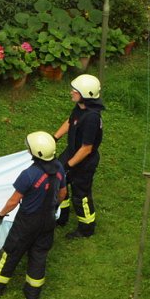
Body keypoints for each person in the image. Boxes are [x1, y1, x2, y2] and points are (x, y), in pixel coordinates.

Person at [0, 131, 67, 299]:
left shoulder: (29, 174)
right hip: (48, 221)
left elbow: (13, 201)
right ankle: (32, 293)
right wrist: (53, 208)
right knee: (39, 254)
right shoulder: (59, 168)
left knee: (10, 252)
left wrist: (0, 215)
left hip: (27, 222)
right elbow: (62, 192)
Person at [53, 73, 105, 239]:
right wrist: (54, 138)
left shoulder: (91, 118)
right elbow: (70, 122)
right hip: (71, 152)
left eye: (75, 90)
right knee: (59, 183)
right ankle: (62, 216)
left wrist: (68, 166)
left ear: (85, 95)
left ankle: (86, 228)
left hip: (84, 161)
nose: (71, 92)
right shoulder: (80, 108)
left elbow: (86, 149)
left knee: (80, 195)